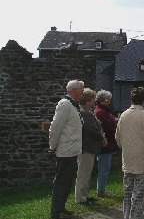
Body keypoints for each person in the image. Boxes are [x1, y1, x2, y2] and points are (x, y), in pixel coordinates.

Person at [115, 87, 144, 219]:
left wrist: (127, 147)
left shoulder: (124, 115)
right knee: (139, 193)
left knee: (128, 191)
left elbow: (118, 138)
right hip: (143, 160)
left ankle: (126, 215)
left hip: (128, 159)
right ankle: (135, 216)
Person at [49, 80, 84, 219]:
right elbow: (56, 127)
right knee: (61, 181)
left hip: (71, 149)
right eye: (81, 89)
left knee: (67, 181)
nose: (82, 92)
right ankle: (56, 212)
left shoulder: (73, 105)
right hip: (65, 149)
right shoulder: (64, 104)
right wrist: (52, 146)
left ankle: (61, 208)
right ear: (74, 90)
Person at [75, 88, 105, 205]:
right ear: (87, 100)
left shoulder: (87, 112)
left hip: (89, 147)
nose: (93, 102)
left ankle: (85, 195)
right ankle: (80, 198)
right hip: (86, 146)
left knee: (87, 172)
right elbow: (92, 129)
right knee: (83, 173)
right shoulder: (84, 113)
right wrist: (102, 137)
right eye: (92, 100)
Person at [94, 89, 118, 198]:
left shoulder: (104, 111)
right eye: (108, 100)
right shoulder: (100, 112)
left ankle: (101, 189)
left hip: (108, 143)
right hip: (104, 144)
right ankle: (101, 191)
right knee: (104, 168)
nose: (109, 101)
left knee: (105, 168)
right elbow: (108, 128)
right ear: (104, 100)